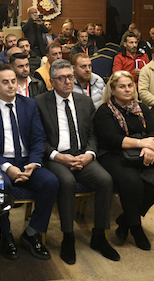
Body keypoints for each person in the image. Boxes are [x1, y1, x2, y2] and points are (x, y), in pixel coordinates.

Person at [0, 65, 59, 261]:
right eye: (5, 82)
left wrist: (34, 162)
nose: (11, 86)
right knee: (1, 185)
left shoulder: (29, 104)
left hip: (27, 161)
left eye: (13, 81)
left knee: (51, 182)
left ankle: (32, 233)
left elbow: (38, 138)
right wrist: (7, 167)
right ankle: (6, 234)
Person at [35, 60, 117, 263]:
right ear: (52, 81)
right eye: (61, 78)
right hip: (56, 157)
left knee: (105, 180)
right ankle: (68, 237)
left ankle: (99, 235)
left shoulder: (84, 101)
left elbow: (93, 134)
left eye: (70, 77)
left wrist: (89, 154)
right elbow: (37, 139)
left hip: (82, 155)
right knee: (67, 182)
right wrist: (57, 156)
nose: (67, 82)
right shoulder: (39, 103)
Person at [95, 71, 154, 251]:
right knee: (133, 182)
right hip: (112, 154)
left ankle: (125, 220)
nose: (127, 90)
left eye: (129, 86)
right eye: (122, 86)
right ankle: (136, 227)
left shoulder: (141, 108)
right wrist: (142, 143)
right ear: (112, 89)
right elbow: (112, 139)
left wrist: (149, 147)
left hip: (140, 153)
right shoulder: (105, 110)